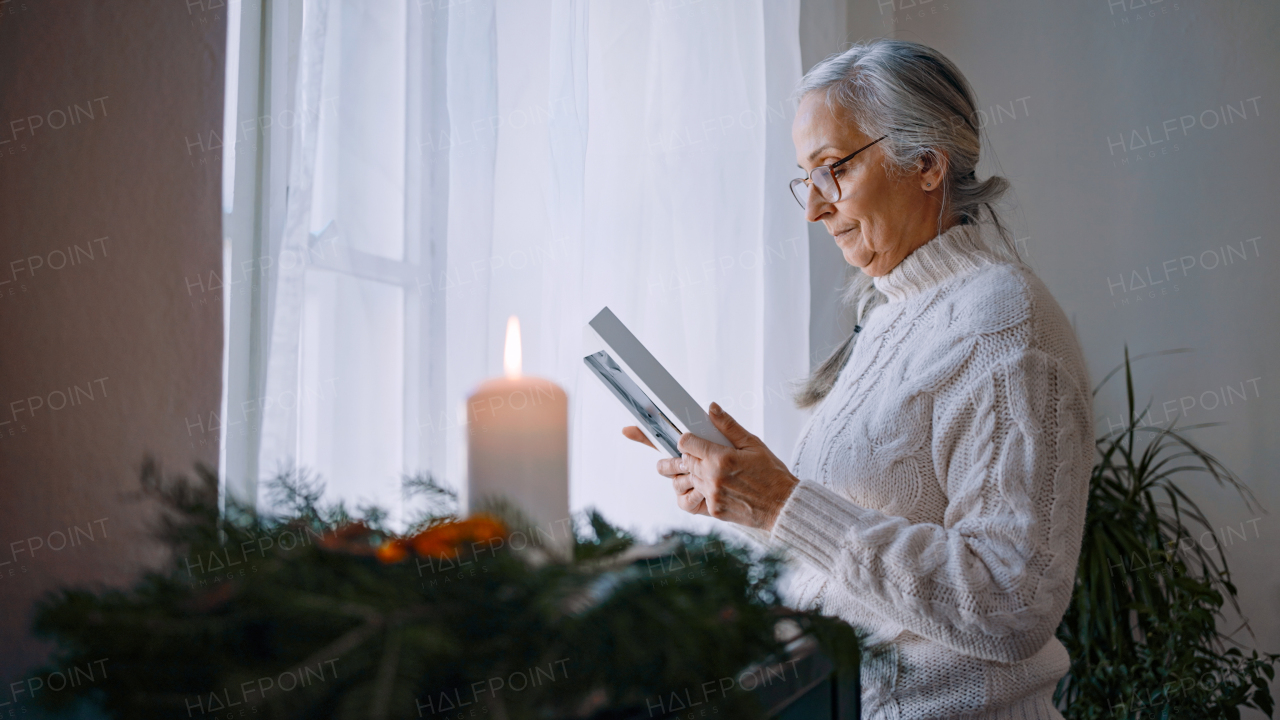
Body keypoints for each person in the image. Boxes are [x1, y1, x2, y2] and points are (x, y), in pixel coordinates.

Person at [623, 39, 1092, 720]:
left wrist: (786, 503)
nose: (813, 208)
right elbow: (852, 561)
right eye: (804, 177)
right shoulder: (893, 315)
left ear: (927, 163)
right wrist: (751, 501)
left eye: (833, 169)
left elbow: (1009, 604)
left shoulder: (1003, 323)